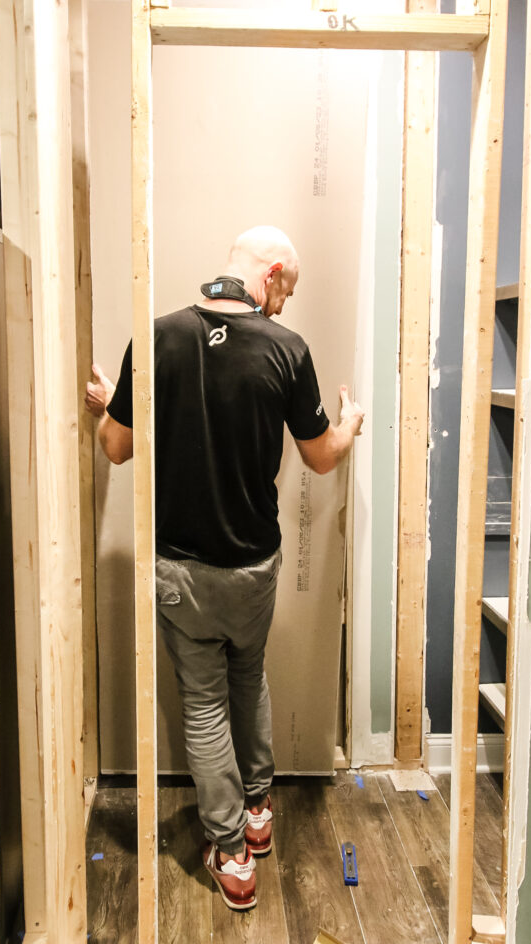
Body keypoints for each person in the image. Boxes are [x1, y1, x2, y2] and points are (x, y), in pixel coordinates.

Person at [85, 226, 364, 911]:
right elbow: (320, 456)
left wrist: (118, 401)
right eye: (285, 292)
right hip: (255, 565)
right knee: (248, 676)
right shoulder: (287, 351)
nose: (282, 307)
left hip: (183, 569)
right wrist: (349, 425)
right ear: (269, 273)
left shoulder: (156, 339)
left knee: (205, 703)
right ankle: (258, 809)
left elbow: (114, 449)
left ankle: (232, 853)